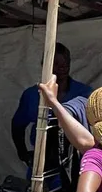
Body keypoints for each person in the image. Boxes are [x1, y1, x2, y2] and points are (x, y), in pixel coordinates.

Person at [12, 43, 92, 179]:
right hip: (43, 165)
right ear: (45, 65)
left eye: (66, 63)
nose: (62, 68)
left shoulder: (83, 93)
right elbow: (17, 125)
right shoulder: (32, 95)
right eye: (56, 64)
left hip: (76, 162)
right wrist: (23, 153)